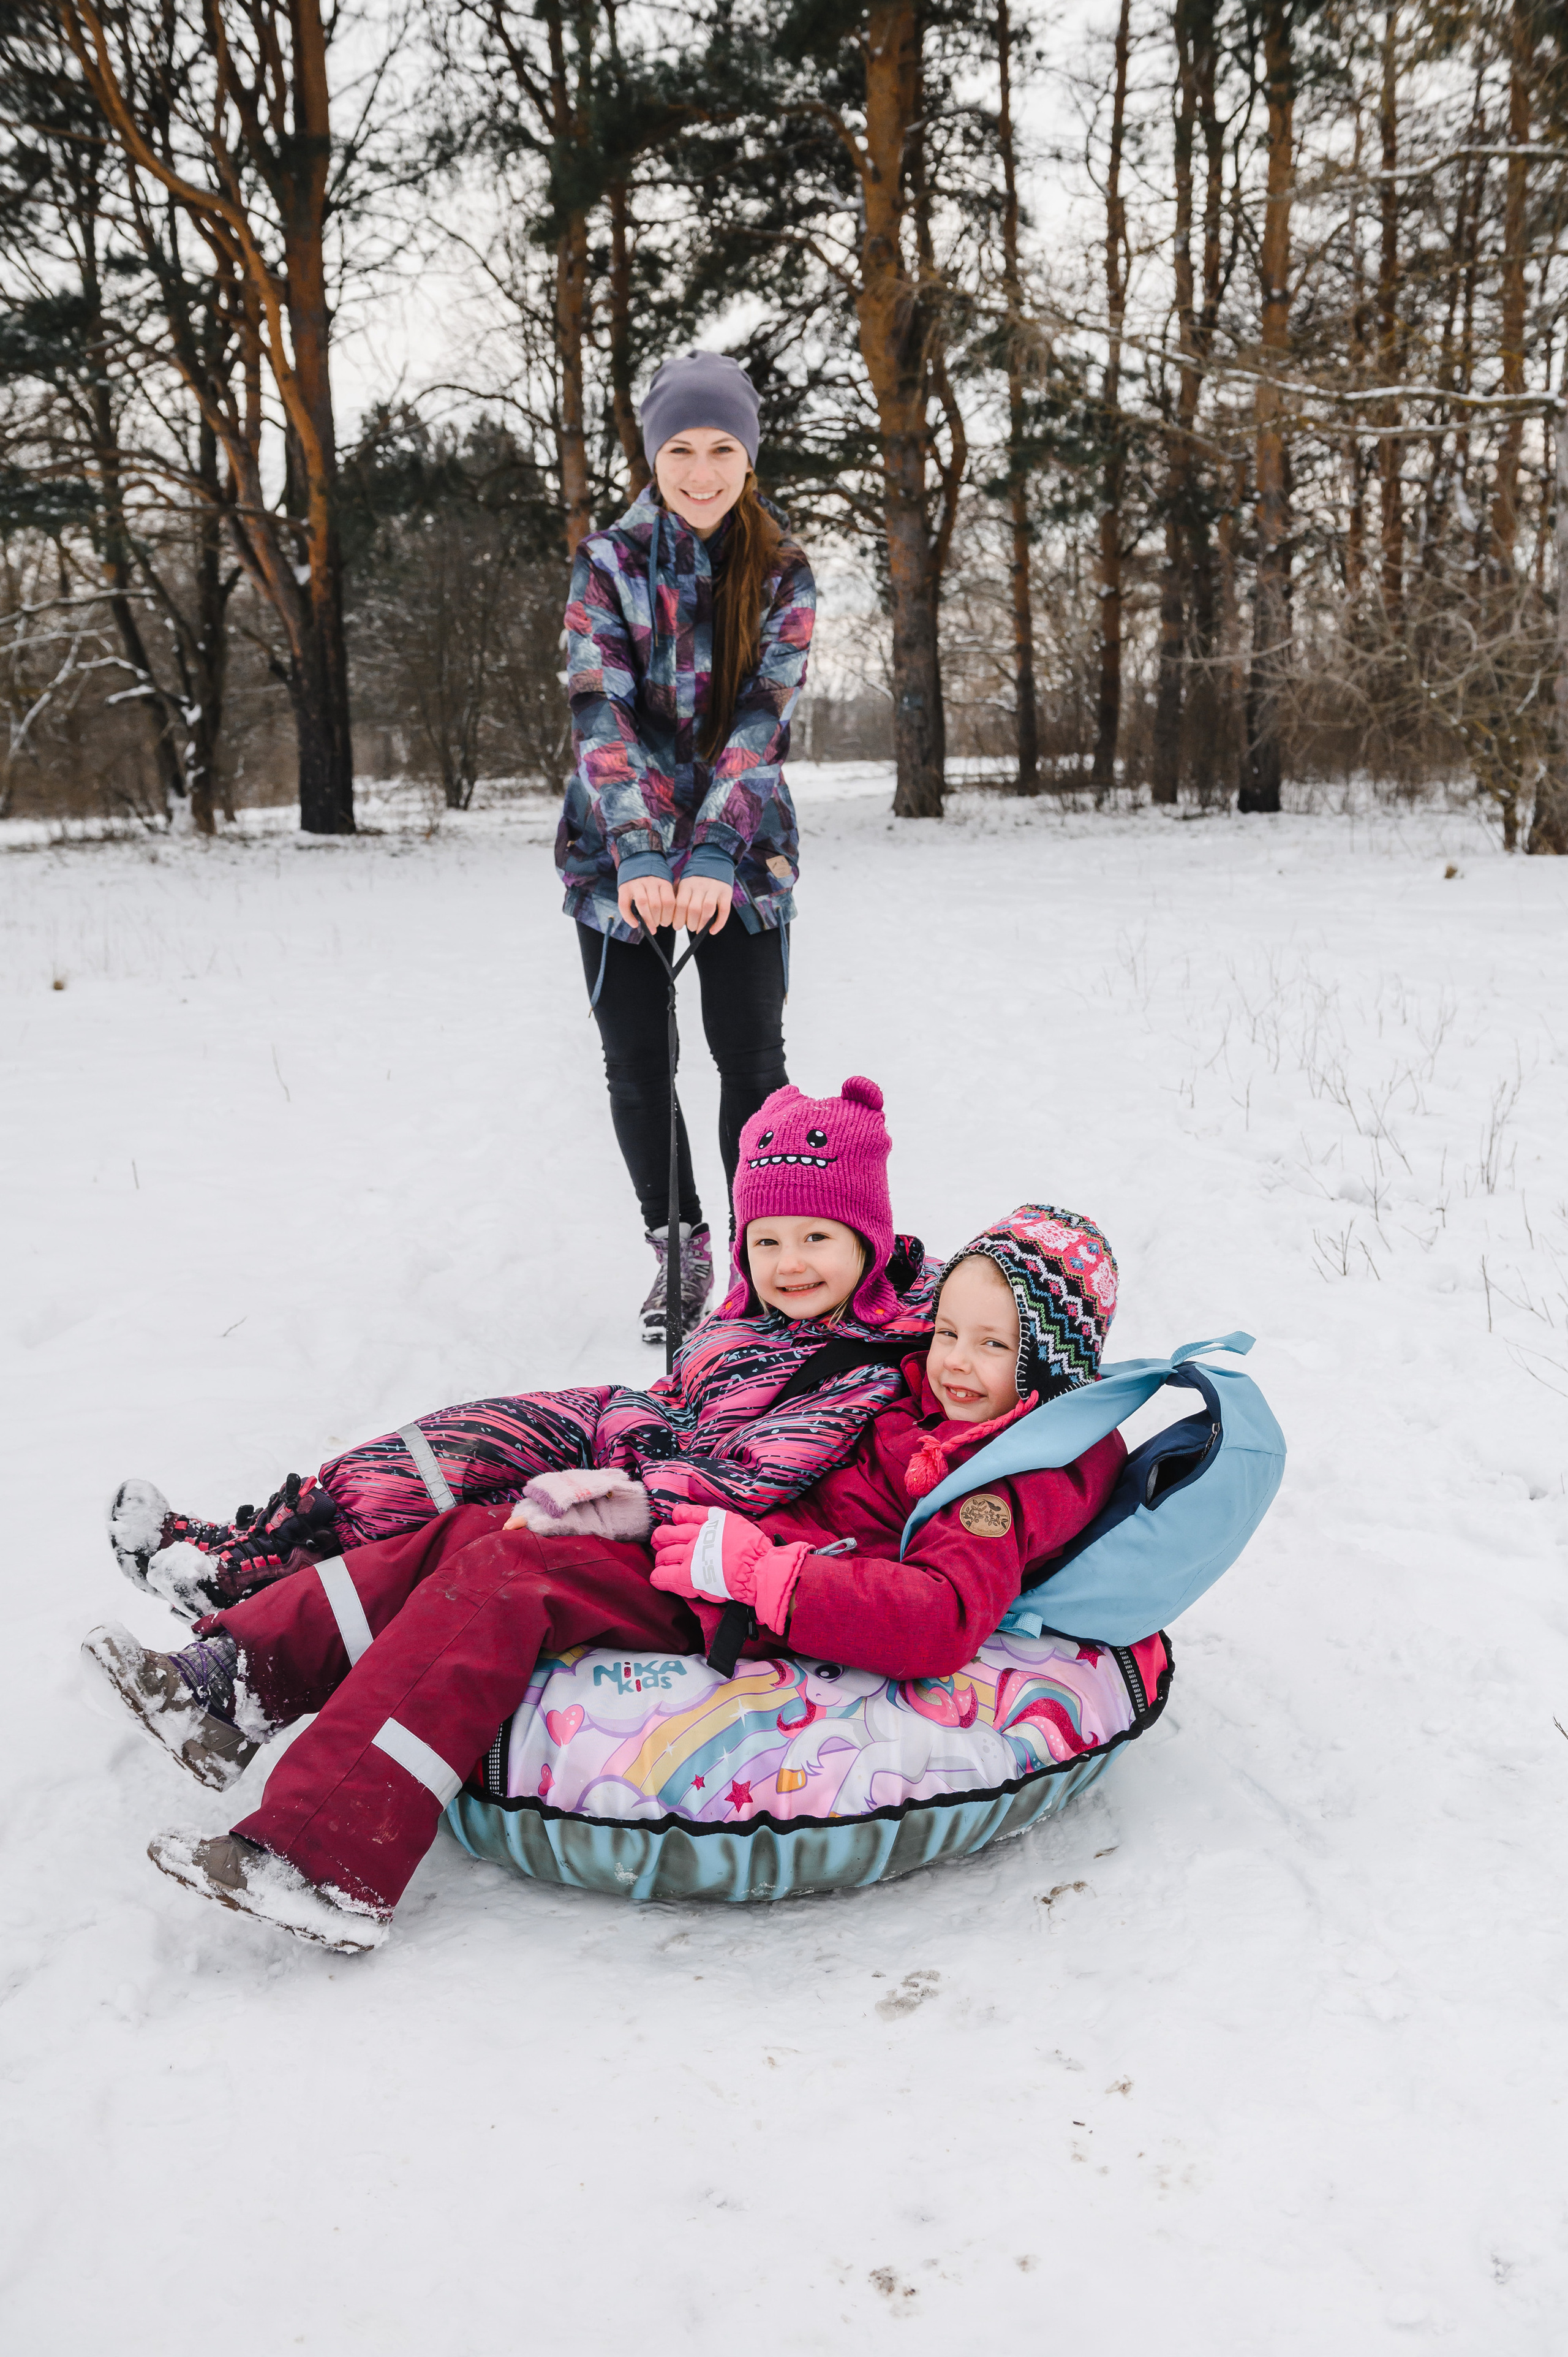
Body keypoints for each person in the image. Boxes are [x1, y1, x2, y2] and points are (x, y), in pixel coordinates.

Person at [84, 1206, 1125, 1953]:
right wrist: (656, 1508)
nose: (953, 1359)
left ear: (1056, 1364)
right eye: (949, 1331)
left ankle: (322, 1859)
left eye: (993, 1344)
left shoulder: (1015, 1474)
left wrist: (761, 1573)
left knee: (510, 1582)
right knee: (485, 1531)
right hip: (720, 1550)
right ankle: (232, 1682)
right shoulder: (942, 1409)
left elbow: (939, 1622)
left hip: (767, 1611)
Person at [107, 1078, 934, 1619]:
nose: (789, 1264)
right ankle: (254, 1538)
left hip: (657, 1487)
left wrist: (631, 1485)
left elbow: (760, 1474)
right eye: (766, 1240)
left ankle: (254, 1591)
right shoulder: (760, 1306)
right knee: (450, 1446)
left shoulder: (869, 1356)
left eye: (818, 1237)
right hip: (632, 1419)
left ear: (868, 1234)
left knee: (460, 1525)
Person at [560, 350, 815, 1344]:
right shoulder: (607, 565)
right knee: (637, 1062)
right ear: (653, 454)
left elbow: (766, 717)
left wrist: (712, 853)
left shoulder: (784, 572)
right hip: (612, 849)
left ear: (748, 461)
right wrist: (636, 853)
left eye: (722, 450)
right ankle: (681, 1249)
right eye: (681, 449)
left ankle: (764, 1256)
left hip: (746, 850)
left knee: (751, 1061)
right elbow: (600, 712)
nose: (701, 470)